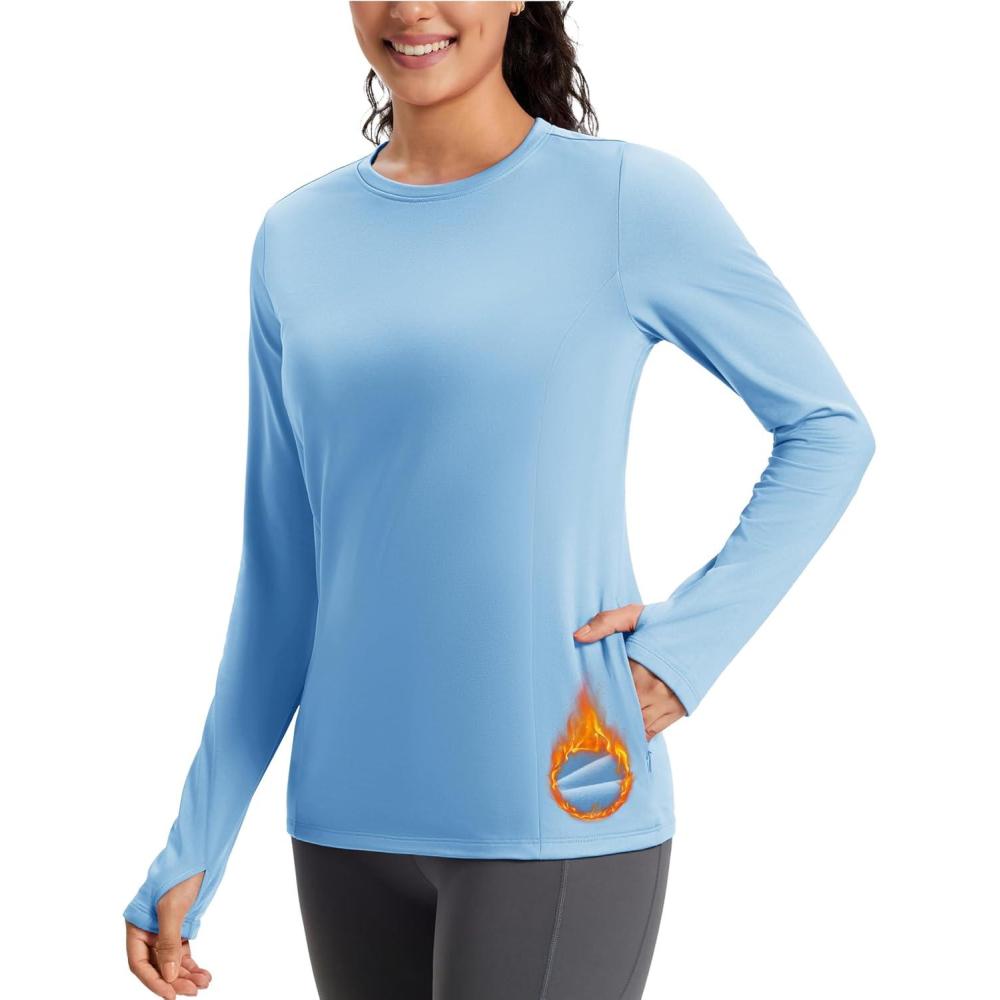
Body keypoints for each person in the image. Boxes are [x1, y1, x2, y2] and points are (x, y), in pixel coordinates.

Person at [122, 3, 876, 998]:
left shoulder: (626, 201)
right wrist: (198, 838)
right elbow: (283, 574)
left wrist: (684, 651)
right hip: (345, 820)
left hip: (556, 793)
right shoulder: (295, 237)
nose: (411, 9)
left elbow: (827, 428)